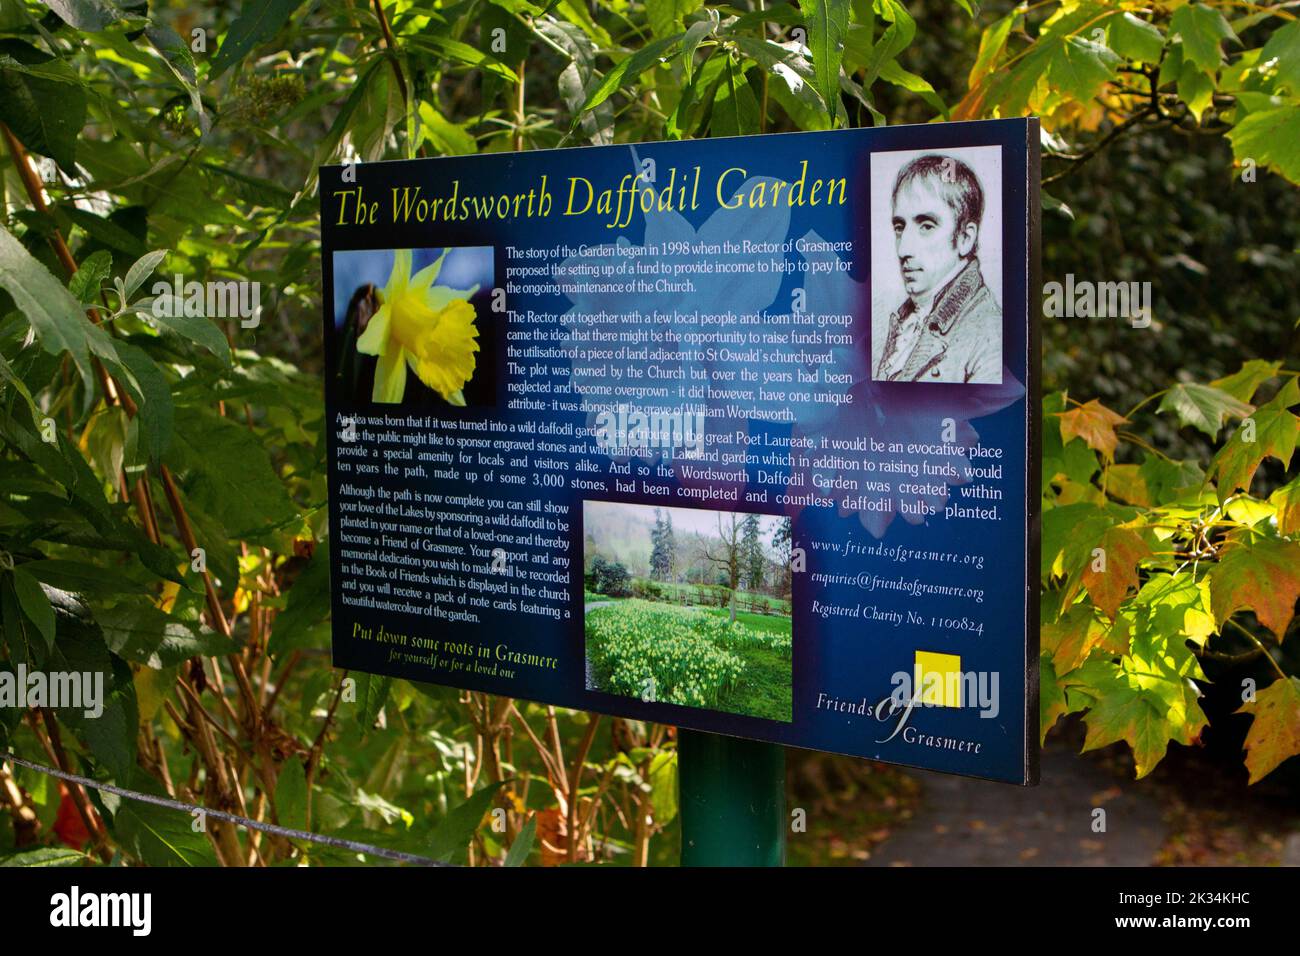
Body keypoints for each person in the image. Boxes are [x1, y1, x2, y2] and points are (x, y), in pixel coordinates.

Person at [875, 154, 1001, 385]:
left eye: (926, 226)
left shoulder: (990, 335)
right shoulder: (897, 321)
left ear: (965, 237)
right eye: (900, 227)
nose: (904, 249)